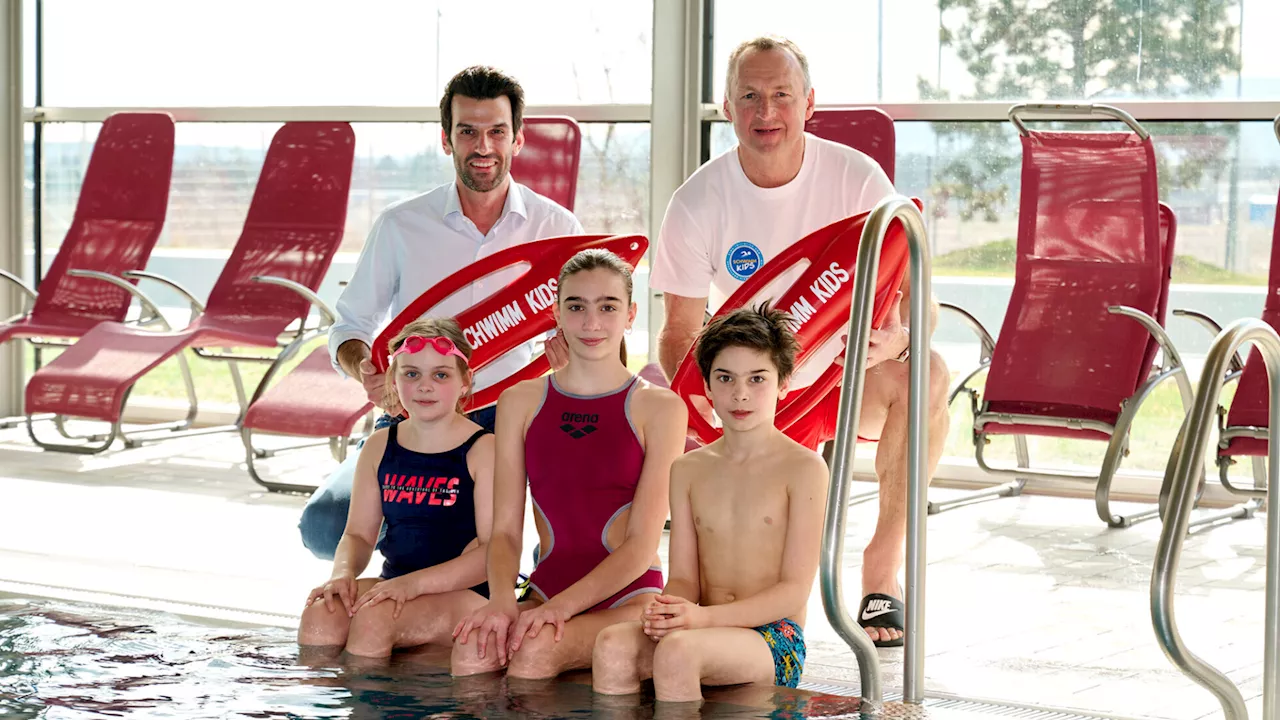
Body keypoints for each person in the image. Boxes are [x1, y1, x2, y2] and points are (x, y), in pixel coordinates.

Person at [649, 35, 951, 647]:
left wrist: (898, 340)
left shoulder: (856, 178)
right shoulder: (697, 200)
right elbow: (679, 334)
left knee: (930, 373)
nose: (766, 113)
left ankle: (881, 574)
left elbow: (925, 306)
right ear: (725, 107)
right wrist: (712, 400)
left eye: (781, 96)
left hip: (840, 379)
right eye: (750, 97)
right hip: (749, 392)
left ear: (809, 103)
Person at [300, 65, 582, 560]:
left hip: (519, 415)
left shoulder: (557, 227)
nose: (483, 146)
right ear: (447, 141)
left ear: (518, 139)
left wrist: (571, 359)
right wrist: (364, 368)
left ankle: (503, 581)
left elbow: (587, 328)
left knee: (575, 529)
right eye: (467, 132)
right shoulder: (400, 226)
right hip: (420, 408)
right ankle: (432, 562)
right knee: (325, 527)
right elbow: (349, 327)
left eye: (497, 131)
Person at [450, 249, 688, 679]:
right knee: (473, 649)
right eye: (576, 307)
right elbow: (504, 530)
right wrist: (502, 600)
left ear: (630, 314)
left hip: (627, 597)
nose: (591, 323)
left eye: (608, 307)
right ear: (556, 313)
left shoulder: (660, 408)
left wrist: (560, 609)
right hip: (546, 587)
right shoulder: (520, 401)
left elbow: (640, 546)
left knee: (536, 650)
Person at [592, 304, 827, 701]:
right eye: (726, 378)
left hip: (775, 636)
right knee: (612, 644)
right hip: (704, 624)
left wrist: (702, 619)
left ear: (783, 383)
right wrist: (671, 610)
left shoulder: (804, 468)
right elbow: (685, 577)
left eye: (757, 379)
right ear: (707, 385)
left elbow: (793, 592)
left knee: (679, 652)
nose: (740, 393)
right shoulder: (687, 468)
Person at [298, 318, 494, 658]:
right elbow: (358, 535)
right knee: (322, 613)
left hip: (467, 593)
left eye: (441, 375)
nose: (424, 386)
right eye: (411, 374)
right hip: (396, 583)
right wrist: (342, 575)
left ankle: (368, 706)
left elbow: (493, 554)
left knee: (376, 619)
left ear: (466, 381)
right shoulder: (380, 445)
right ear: (393, 380)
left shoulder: (483, 449)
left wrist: (412, 586)